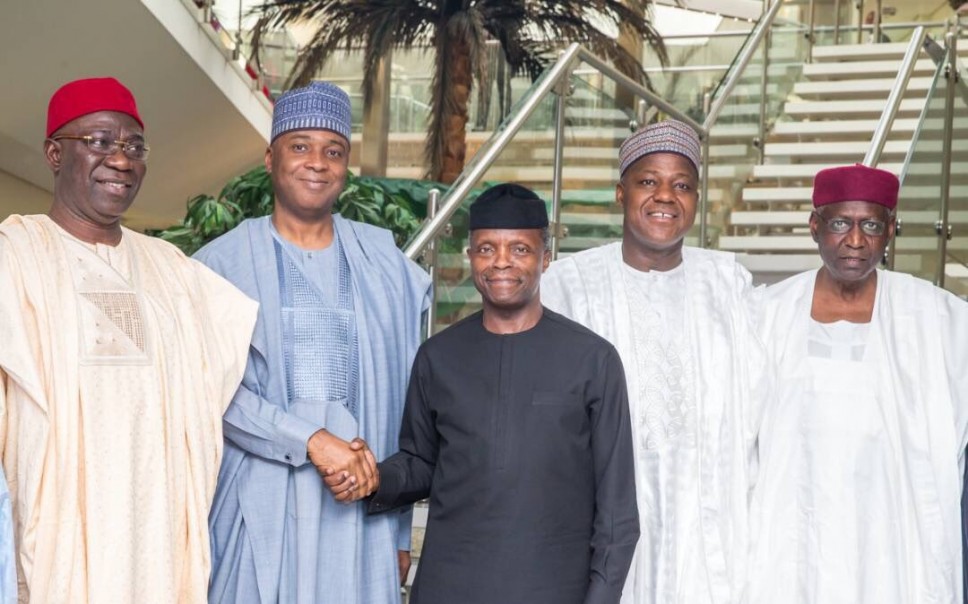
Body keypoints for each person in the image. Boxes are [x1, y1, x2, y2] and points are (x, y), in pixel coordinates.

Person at [0, 77, 258, 602]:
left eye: (134, 146)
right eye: (98, 142)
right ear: (54, 153)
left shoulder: (172, 269)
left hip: (157, 536)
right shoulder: (16, 254)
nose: (120, 159)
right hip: (57, 531)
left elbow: (221, 387)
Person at [344, 183, 639, 604]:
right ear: (470, 257)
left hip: (553, 588)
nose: (501, 262)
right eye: (486, 249)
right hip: (449, 585)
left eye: (519, 249)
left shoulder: (593, 360)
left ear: (546, 258)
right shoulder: (437, 357)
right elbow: (421, 463)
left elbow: (618, 514)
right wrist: (372, 477)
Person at [195, 81, 431, 604]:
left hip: (359, 509)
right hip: (255, 502)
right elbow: (207, 393)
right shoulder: (218, 266)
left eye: (333, 150)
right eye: (299, 146)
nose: (317, 162)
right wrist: (309, 440)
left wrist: (397, 526)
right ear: (270, 157)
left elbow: (406, 403)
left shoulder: (384, 265)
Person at [541, 120, 767, 603]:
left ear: (696, 199)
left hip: (707, 523)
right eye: (649, 181)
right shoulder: (570, 284)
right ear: (621, 193)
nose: (665, 196)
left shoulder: (727, 284)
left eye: (682, 185)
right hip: (602, 518)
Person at [749, 164, 968, 603]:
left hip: (894, 537)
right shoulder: (764, 314)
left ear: (889, 230)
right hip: (791, 532)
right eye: (839, 224)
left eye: (870, 224)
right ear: (815, 226)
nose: (855, 240)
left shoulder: (937, 317)